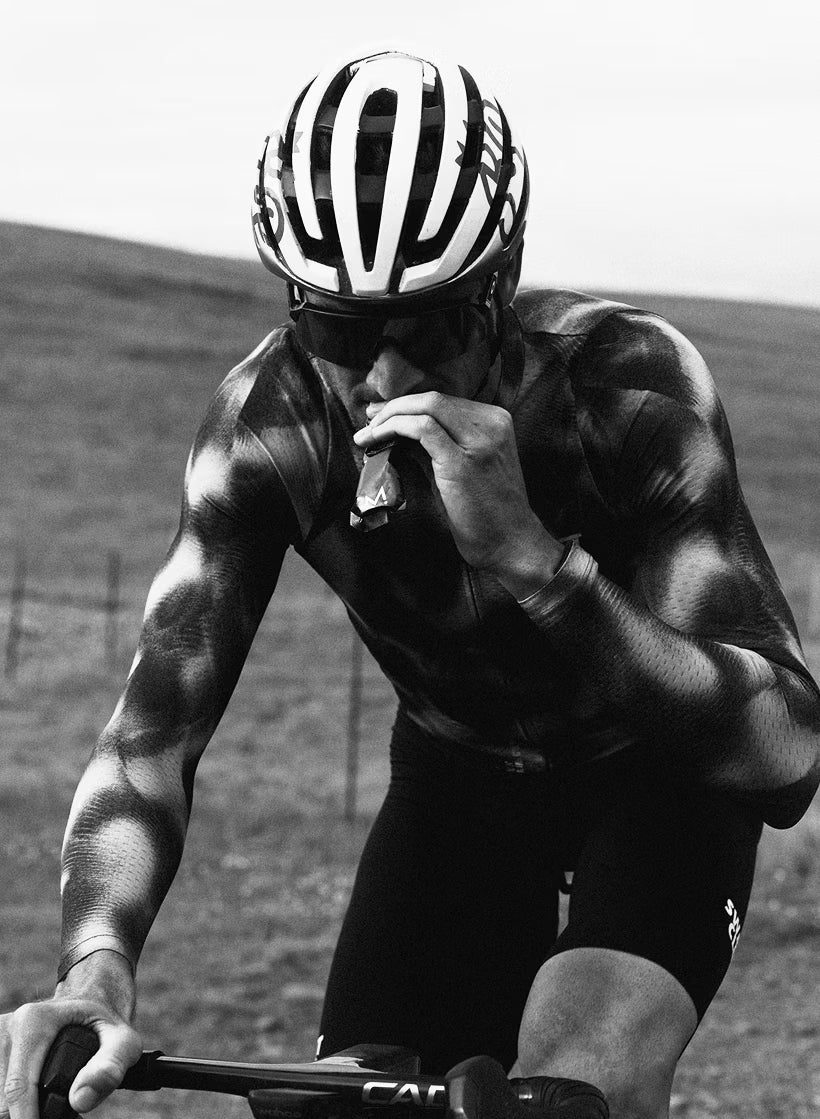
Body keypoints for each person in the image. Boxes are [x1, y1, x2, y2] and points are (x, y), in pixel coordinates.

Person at [2, 48, 819, 1119]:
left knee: (577, 1082)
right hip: (459, 777)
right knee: (355, 1101)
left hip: (656, 771)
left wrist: (535, 561)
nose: (383, 377)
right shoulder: (270, 430)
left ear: (499, 286)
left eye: (429, 326)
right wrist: (94, 967)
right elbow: (151, 735)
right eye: (337, 328)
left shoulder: (624, 388)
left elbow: (784, 759)